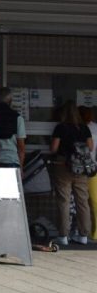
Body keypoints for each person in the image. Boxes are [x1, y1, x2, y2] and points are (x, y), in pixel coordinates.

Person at [49, 100, 94, 246]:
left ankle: (63, 236)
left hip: (63, 166)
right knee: (82, 201)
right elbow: (90, 148)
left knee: (64, 200)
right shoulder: (84, 128)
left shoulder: (60, 127)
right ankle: (83, 235)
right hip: (81, 168)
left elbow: (54, 149)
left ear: (63, 113)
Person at [0, 87, 25, 169]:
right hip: (11, 160)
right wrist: (21, 168)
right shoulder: (18, 118)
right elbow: (21, 147)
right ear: (10, 100)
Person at [82, 107, 97, 240]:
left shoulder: (80, 128)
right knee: (94, 201)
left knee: (81, 201)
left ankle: (81, 232)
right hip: (93, 168)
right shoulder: (95, 128)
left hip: (81, 169)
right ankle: (95, 233)